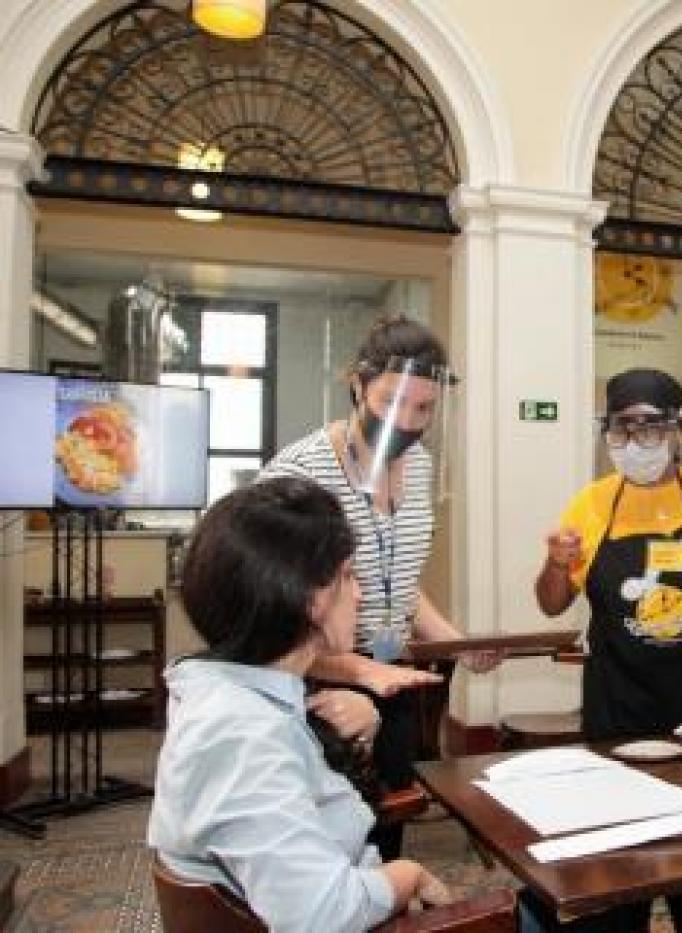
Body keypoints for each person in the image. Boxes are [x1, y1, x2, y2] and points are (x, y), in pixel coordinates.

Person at [148, 478, 456, 932]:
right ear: (311, 598)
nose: (359, 593)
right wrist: (406, 875)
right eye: (349, 575)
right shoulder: (241, 735)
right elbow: (321, 916)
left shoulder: (228, 695)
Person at [533, 367, 682, 932]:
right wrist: (555, 561)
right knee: (618, 875)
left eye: (649, 428)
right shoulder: (591, 505)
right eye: (622, 429)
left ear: (677, 430)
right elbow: (550, 603)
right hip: (618, 712)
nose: (635, 443)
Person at [260, 315, 499, 859]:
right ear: (357, 384)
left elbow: (402, 582)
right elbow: (272, 623)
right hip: (315, 683)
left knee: (384, 826)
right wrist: (360, 671)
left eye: (424, 409)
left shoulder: (417, 464)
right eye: (392, 402)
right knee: (325, 839)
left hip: (390, 678)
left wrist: (455, 642)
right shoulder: (300, 475)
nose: (408, 421)